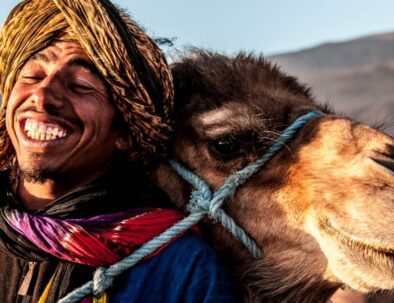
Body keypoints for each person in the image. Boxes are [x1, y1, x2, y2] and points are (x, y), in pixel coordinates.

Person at [0, 0, 235, 302]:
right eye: (31, 76)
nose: (43, 96)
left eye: (80, 85)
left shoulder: (179, 268)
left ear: (124, 132)